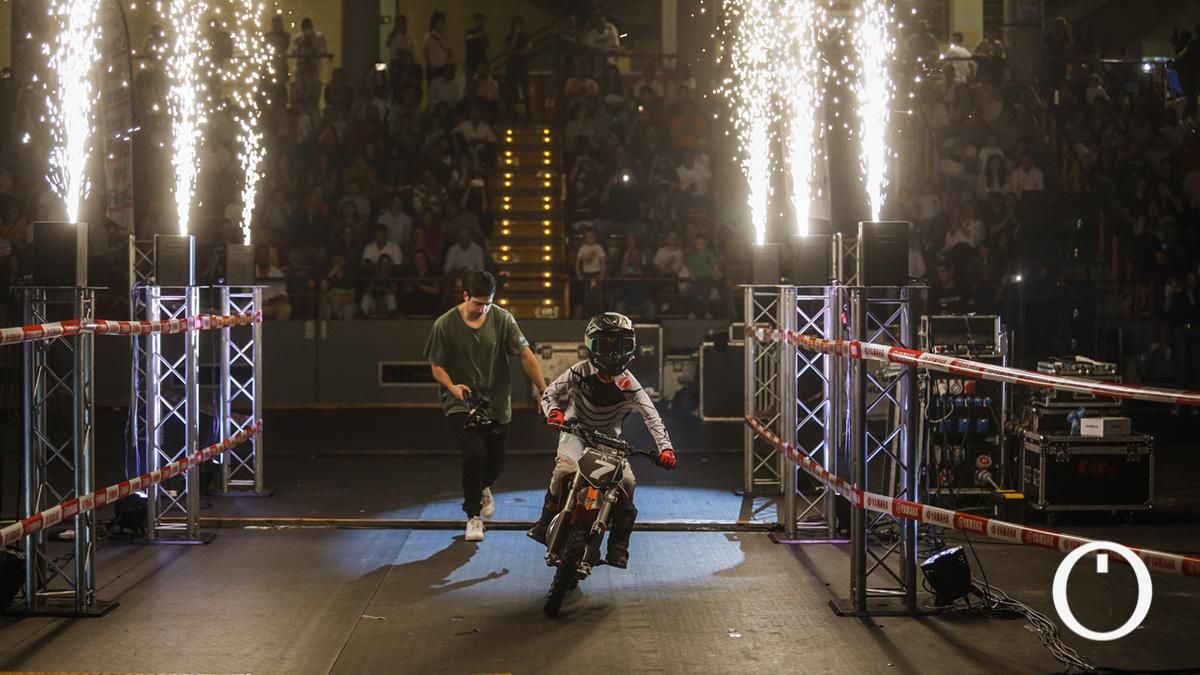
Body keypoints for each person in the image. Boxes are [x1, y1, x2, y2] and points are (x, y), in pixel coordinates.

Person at [529, 313, 677, 568]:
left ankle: (618, 546)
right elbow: (550, 393)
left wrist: (666, 449)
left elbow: (652, 417)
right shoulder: (579, 371)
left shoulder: (630, 384)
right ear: (591, 345)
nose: (613, 354)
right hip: (575, 431)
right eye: (606, 346)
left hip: (609, 442)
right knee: (563, 471)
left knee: (627, 483)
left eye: (620, 346)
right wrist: (554, 413)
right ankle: (545, 522)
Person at [424, 271, 548, 542]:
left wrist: (543, 389)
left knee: (496, 462)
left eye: (487, 304)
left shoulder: (502, 319)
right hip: (461, 401)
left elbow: (525, 355)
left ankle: (484, 487)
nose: (482, 309)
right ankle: (473, 516)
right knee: (474, 454)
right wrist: (452, 387)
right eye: (478, 303)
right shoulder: (445, 325)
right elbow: (436, 366)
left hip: (496, 402)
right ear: (465, 296)